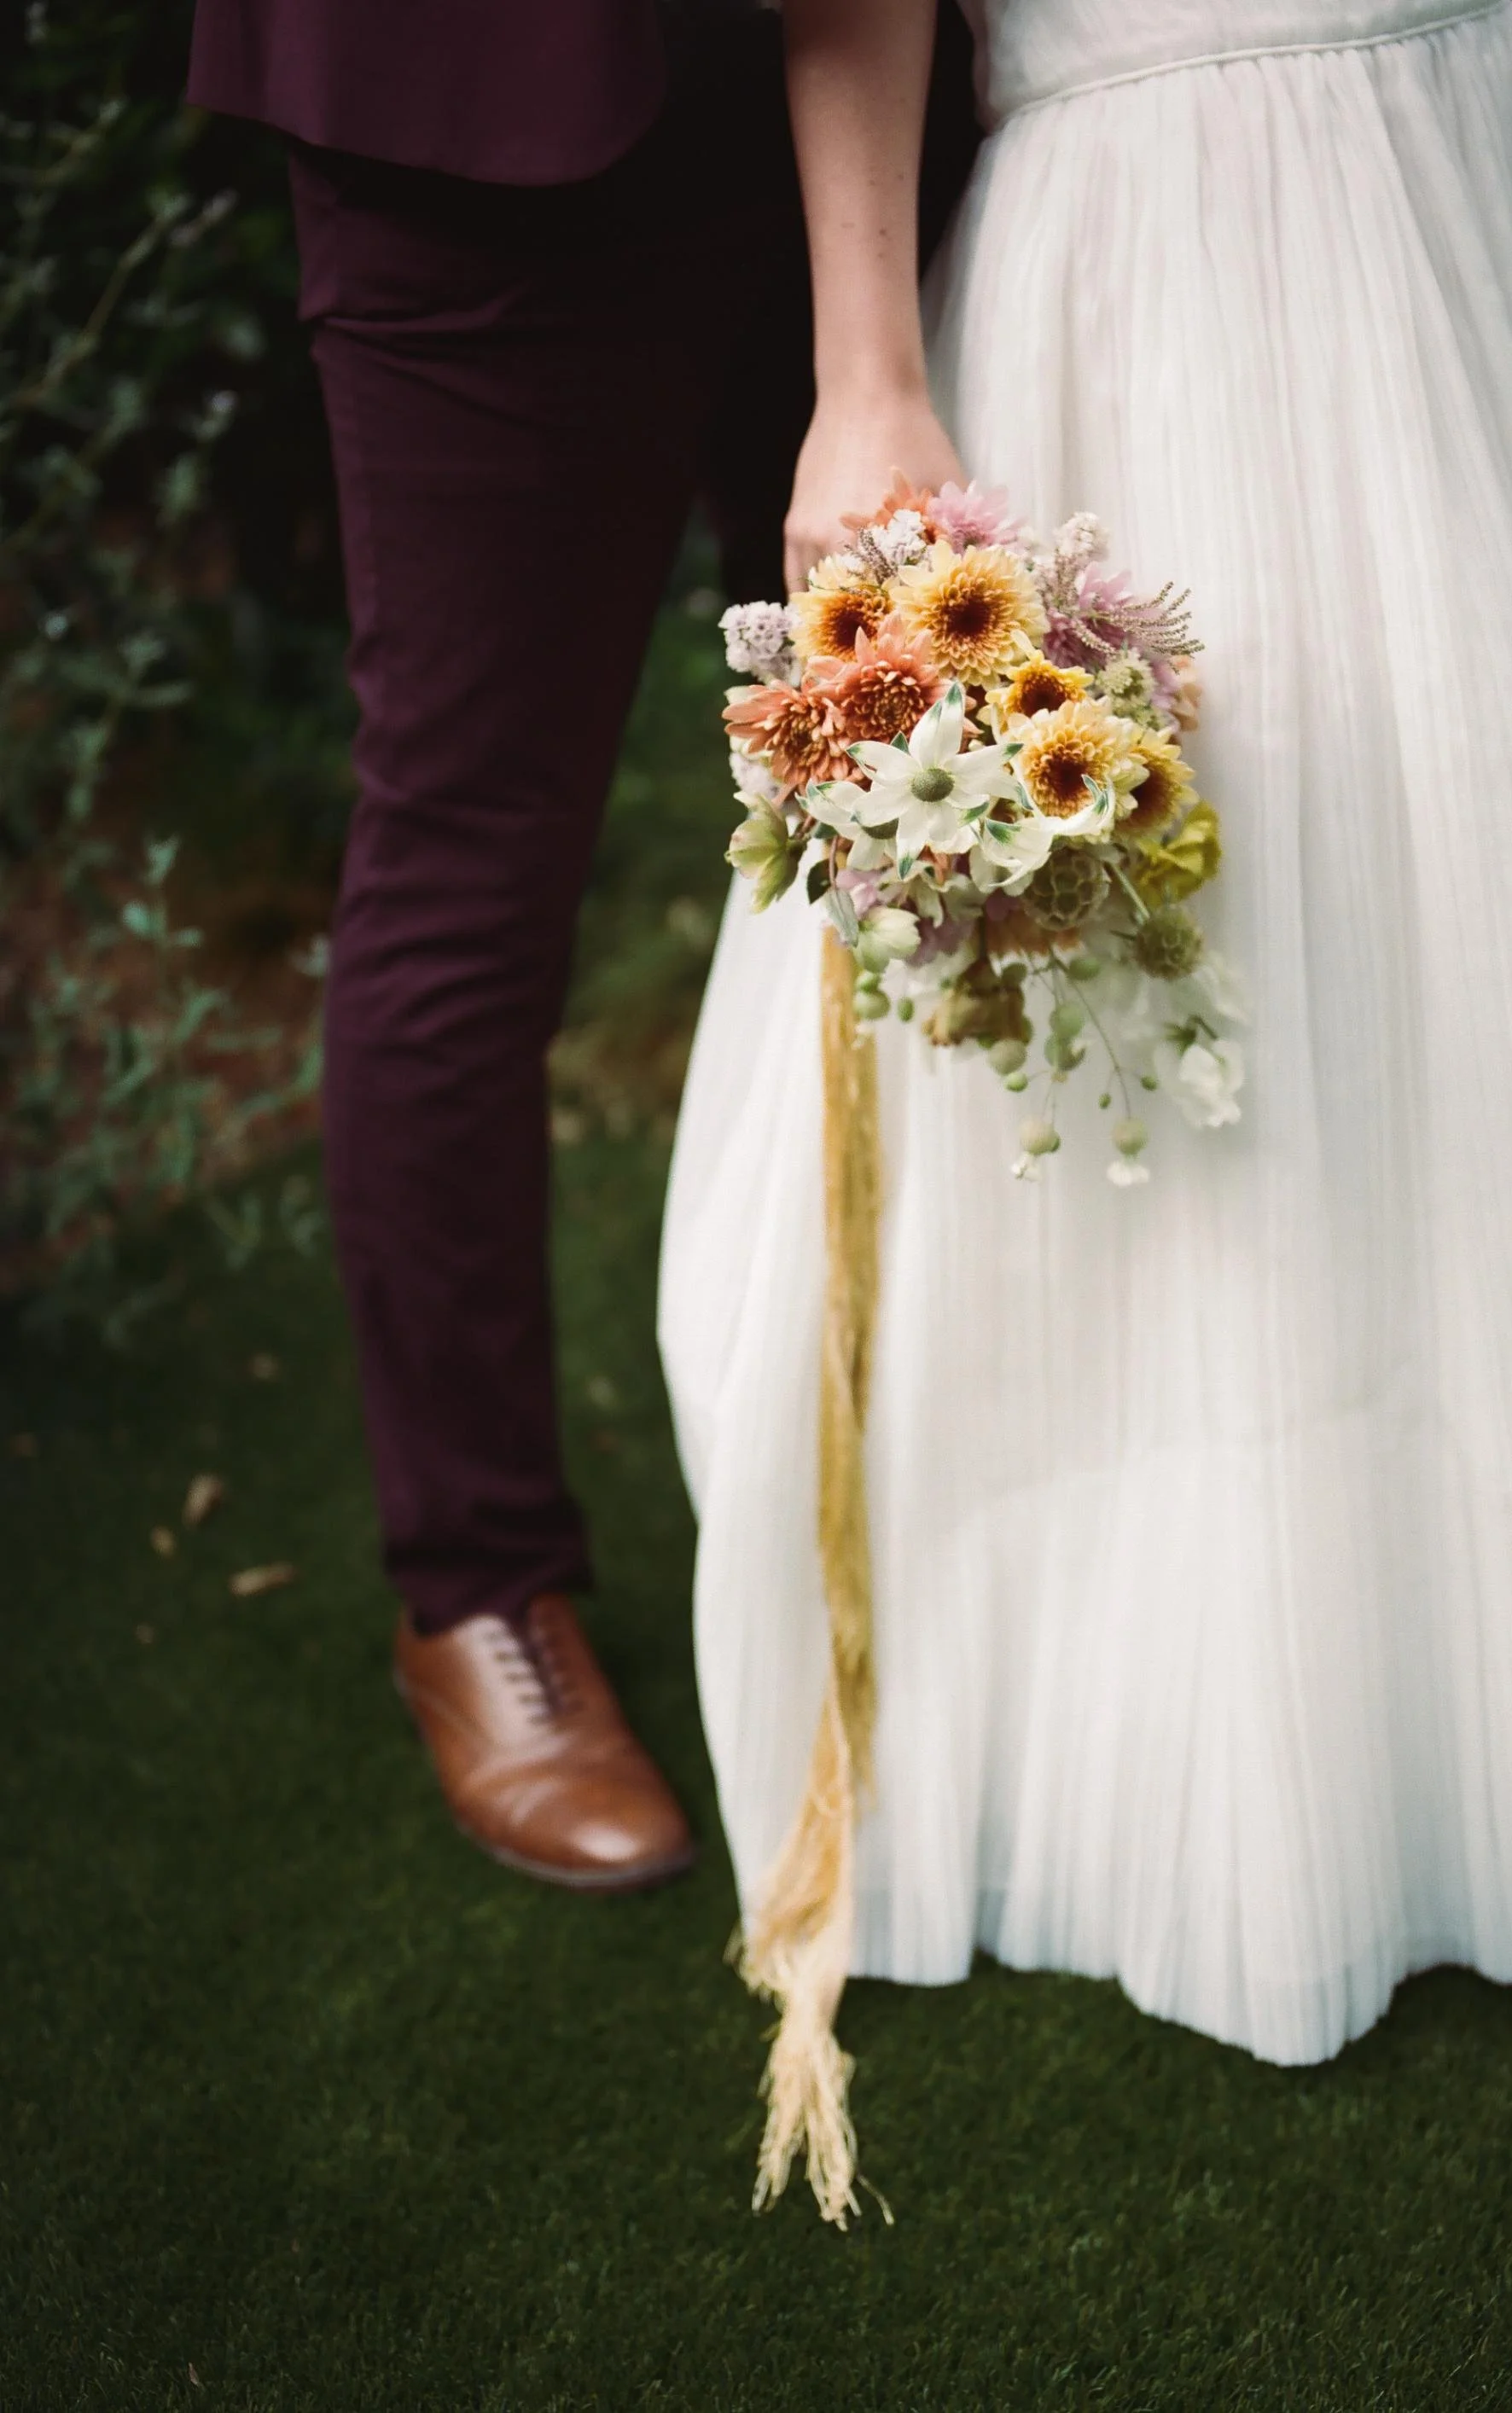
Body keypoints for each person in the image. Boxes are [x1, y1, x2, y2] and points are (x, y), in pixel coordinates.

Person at [661, 0, 1512, 2087]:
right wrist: (863, 361)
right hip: (1144, 205)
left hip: (1444, 144)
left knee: (1464, 917)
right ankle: (1188, 1746)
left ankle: (1472, 1733)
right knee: (1183, 961)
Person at [183, 0, 978, 1888]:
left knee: (945, 812)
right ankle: (478, 1587)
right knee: (468, 866)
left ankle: (950, 1493)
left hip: (892, 117)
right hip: (479, 99)